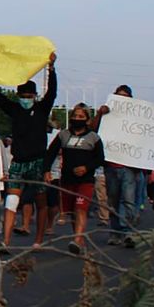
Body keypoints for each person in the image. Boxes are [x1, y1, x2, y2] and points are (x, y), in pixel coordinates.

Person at [0, 52, 57, 250]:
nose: (26, 99)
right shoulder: (15, 110)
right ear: (18, 96)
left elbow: (52, 92)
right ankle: (6, 241)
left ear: (35, 96)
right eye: (23, 96)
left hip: (38, 161)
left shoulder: (42, 109)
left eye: (29, 96)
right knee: (11, 200)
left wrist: (51, 69)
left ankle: (39, 240)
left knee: (40, 201)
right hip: (18, 161)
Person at [43, 104, 104, 254]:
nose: (77, 119)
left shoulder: (93, 138)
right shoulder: (63, 135)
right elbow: (51, 153)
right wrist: (46, 171)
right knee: (71, 211)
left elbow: (100, 159)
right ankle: (79, 238)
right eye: (75, 116)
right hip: (67, 179)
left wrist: (86, 167)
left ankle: (77, 239)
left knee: (80, 208)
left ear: (87, 120)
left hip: (85, 180)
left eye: (81, 117)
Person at [94, 84, 141, 247]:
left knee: (129, 201)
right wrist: (100, 114)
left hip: (128, 166)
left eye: (125, 97)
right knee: (113, 201)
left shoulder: (136, 119)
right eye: (119, 96)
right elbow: (94, 132)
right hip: (111, 165)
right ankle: (115, 233)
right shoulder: (107, 115)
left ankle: (128, 233)